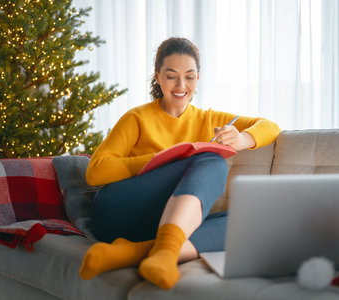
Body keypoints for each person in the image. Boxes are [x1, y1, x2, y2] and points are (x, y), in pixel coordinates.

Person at [79, 37, 281, 289]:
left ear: (198, 78)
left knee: (251, 221)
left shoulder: (209, 118)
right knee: (212, 161)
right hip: (117, 213)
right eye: (171, 75)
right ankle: (163, 251)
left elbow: (271, 126)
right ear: (158, 76)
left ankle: (140, 253)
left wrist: (243, 138)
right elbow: (95, 172)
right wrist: (161, 160)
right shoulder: (137, 118)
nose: (181, 85)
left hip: (160, 224)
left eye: (189, 76)